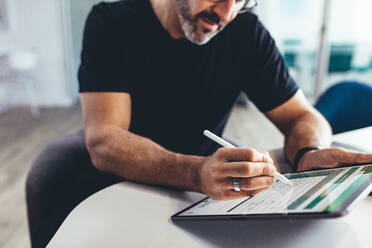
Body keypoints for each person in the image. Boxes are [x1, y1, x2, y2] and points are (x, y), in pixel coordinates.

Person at [26, 0, 372, 247]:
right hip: (120, 181)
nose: (226, 13)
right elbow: (105, 139)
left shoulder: (245, 30)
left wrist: (309, 153)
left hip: (204, 184)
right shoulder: (113, 22)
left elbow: (302, 115)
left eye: (240, 0)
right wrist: (195, 171)